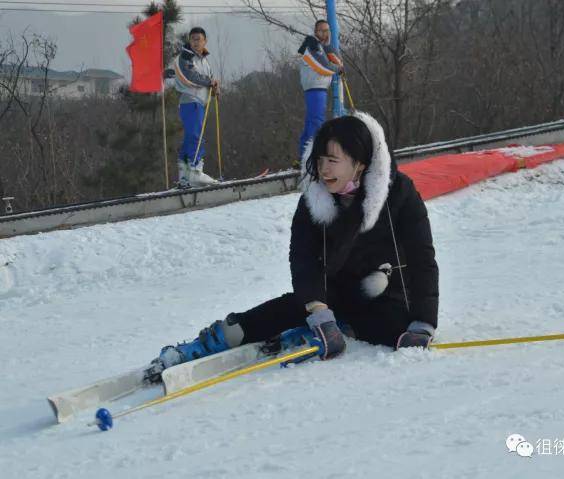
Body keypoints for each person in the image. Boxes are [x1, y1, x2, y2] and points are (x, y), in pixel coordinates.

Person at [147, 112, 439, 378]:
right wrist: (319, 310)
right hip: (332, 291)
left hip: (384, 293)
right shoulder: (315, 199)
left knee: (398, 331)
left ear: (359, 164)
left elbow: (421, 259)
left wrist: (424, 323)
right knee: (287, 308)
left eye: (333, 161)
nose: (324, 170)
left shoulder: (399, 194)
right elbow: (303, 259)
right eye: (320, 160)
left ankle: (341, 325)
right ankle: (220, 337)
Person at [173, 27, 220, 187]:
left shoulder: (204, 60)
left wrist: (214, 88)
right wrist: (209, 82)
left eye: (198, 39)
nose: (195, 42)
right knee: (195, 136)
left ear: (205, 41)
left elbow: (210, 79)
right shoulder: (186, 56)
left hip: (200, 102)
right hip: (190, 100)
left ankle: (184, 175)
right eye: (193, 39)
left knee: (190, 137)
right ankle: (195, 170)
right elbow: (190, 76)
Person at [297, 19, 344, 163]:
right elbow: (322, 67)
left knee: (311, 123)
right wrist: (338, 69)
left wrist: (330, 49)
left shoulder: (321, 46)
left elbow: (335, 59)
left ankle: (303, 156)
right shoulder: (312, 45)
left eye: (327, 30)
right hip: (315, 88)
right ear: (316, 32)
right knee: (316, 122)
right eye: (322, 30)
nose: (325, 33)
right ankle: (312, 157)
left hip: (318, 88)